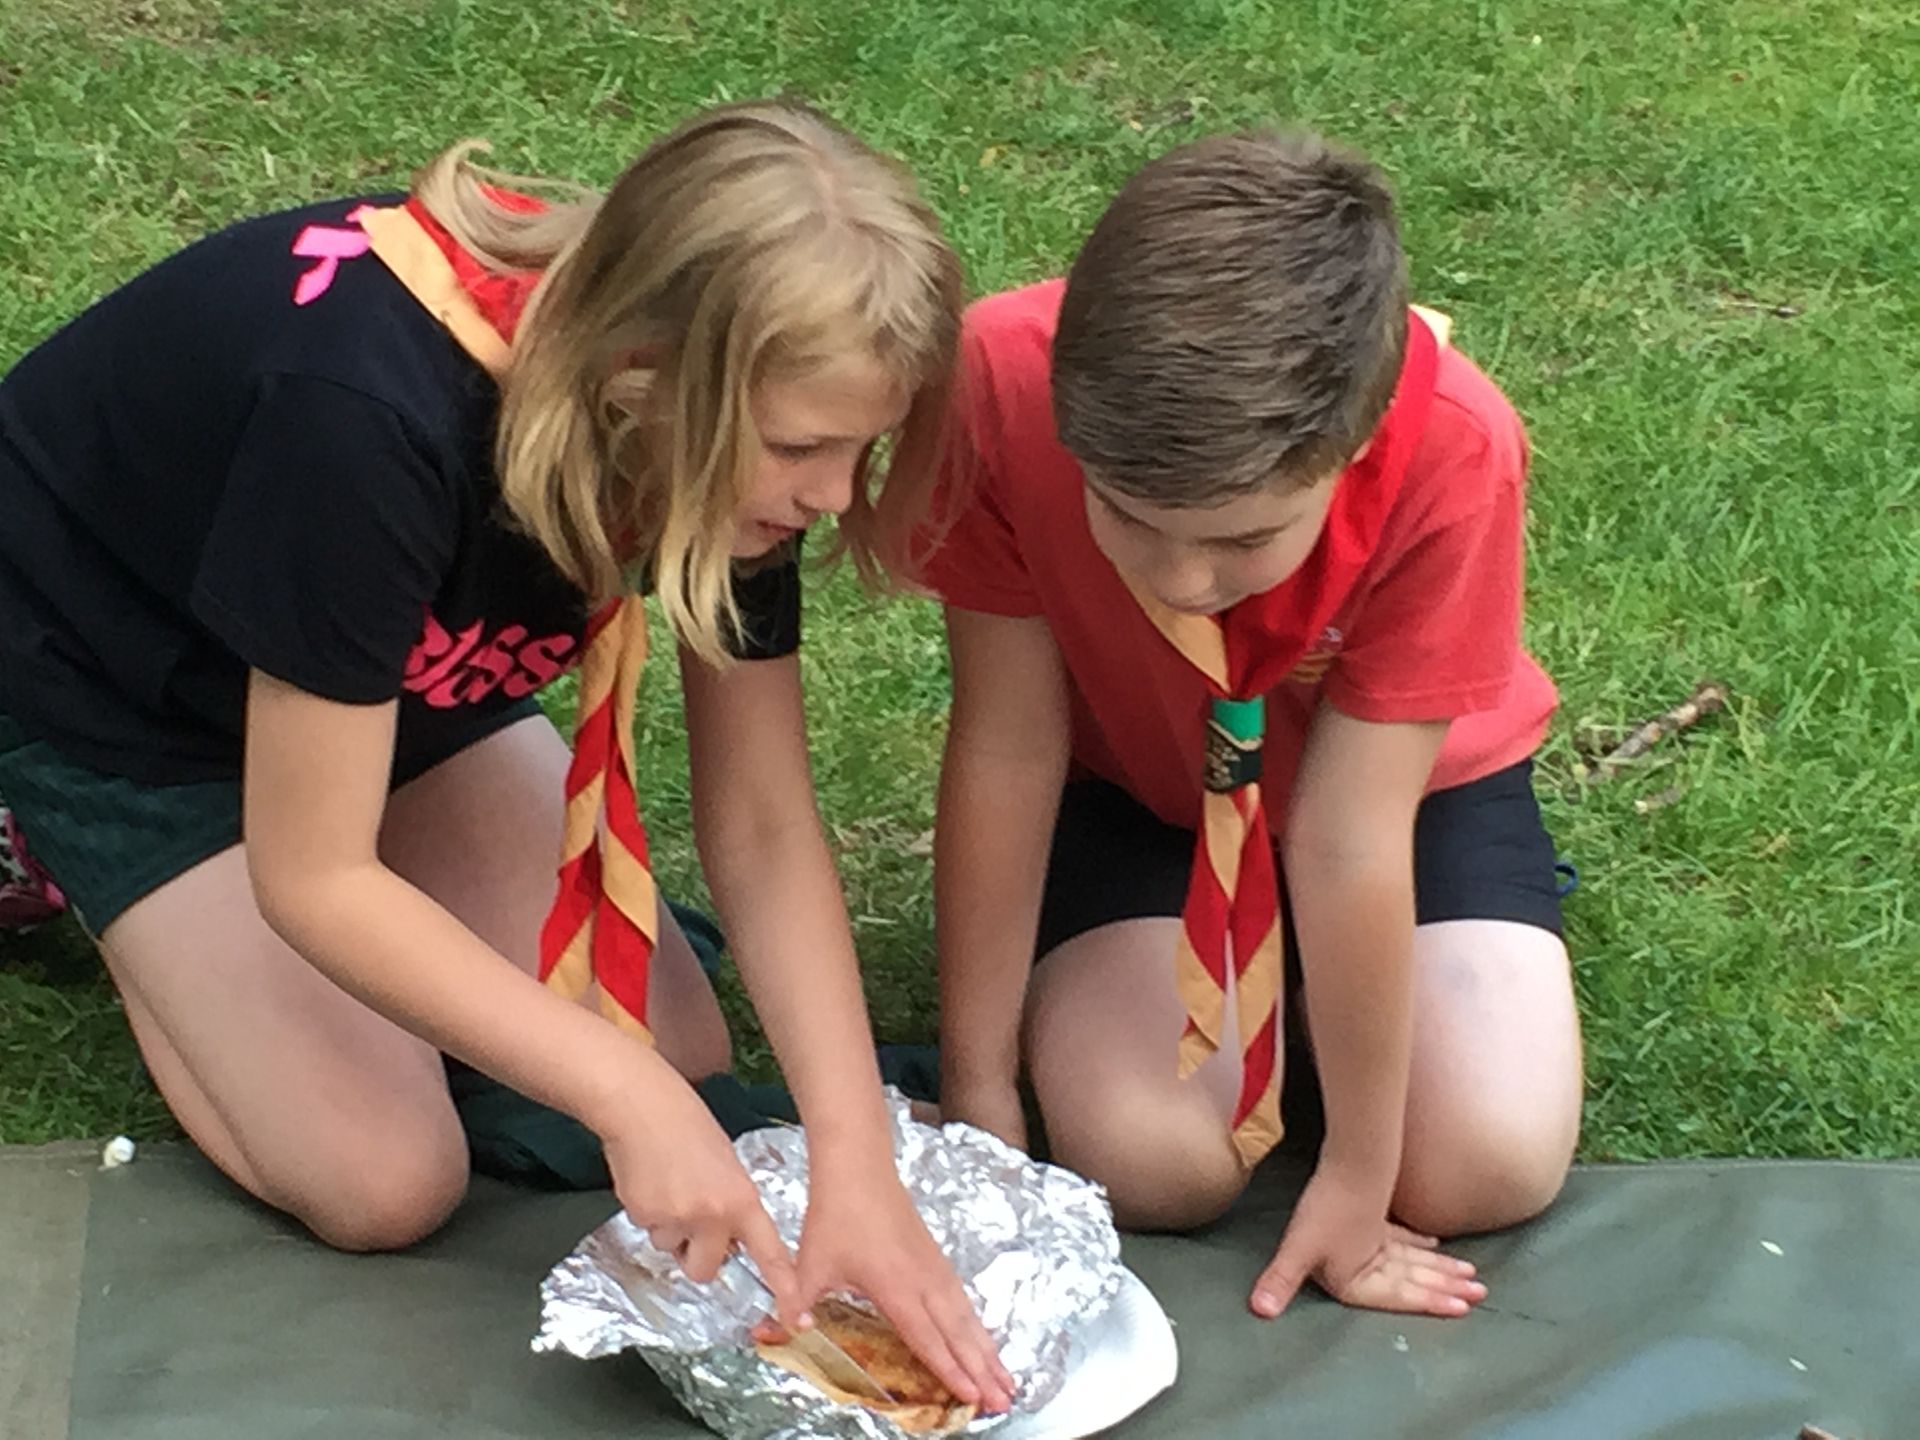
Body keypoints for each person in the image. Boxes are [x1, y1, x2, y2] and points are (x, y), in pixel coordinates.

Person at [0, 100, 1010, 1409]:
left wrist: (854, 1156)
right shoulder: (360, 412)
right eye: (804, 449)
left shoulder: (715, 429)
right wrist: (625, 1101)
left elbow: (760, 823)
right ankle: (56, 853)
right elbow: (315, 876)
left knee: (677, 1042)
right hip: (117, 686)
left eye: (857, 448)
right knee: (384, 1179)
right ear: (646, 372)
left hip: (381, 666)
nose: (829, 493)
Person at [919, 129, 1582, 1324]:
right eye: (1124, 514)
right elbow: (1008, 744)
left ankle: (1356, 1045)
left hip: (1403, 807)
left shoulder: (1458, 450)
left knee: (1483, 1161)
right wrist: (979, 1088)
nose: (1180, 579)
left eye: (1243, 541)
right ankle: (1298, 1024)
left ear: (1360, 437)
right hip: (1145, 795)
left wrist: (1359, 1174)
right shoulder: (999, 382)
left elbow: (1349, 838)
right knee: (1153, 1161)